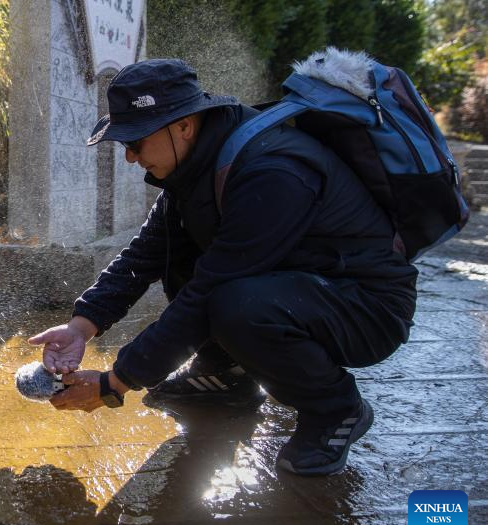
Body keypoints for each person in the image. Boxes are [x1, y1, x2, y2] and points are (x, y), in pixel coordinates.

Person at [28, 58, 417, 476]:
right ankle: (226, 373)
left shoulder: (271, 171)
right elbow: (145, 254)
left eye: (136, 142)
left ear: (183, 125)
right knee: (183, 256)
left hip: (366, 307)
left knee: (234, 303)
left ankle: (336, 408)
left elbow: (209, 291)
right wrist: (81, 326)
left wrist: (115, 383)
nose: (129, 157)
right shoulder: (196, 165)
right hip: (300, 287)